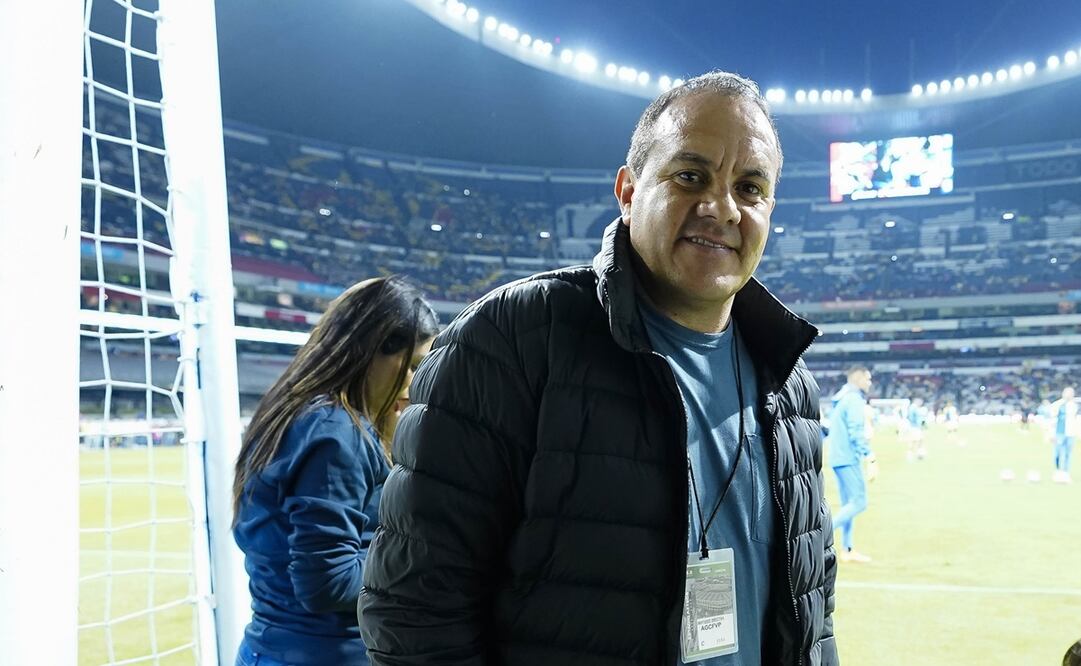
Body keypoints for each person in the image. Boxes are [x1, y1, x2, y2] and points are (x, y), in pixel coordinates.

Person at [359, 71, 837, 665]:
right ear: (629, 191)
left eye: (750, 187)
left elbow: (811, 617)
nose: (721, 208)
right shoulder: (512, 341)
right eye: (690, 176)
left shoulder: (789, 386)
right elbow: (414, 613)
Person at [231, 276, 438, 666]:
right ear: (368, 352)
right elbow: (327, 583)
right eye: (409, 366)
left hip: (281, 648)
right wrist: (424, 564)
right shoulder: (335, 432)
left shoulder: (300, 413)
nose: (412, 384)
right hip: (319, 654)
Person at [827, 366, 877, 563]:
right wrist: (870, 456)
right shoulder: (854, 400)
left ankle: (847, 549)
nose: (870, 383)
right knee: (859, 502)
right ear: (859, 379)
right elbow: (856, 431)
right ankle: (820, 535)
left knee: (849, 505)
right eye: (868, 379)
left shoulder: (841, 398)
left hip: (838, 458)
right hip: (848, 458)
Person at [1049, 386, 1078, 484]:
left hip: (1071, 433)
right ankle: (1057, 471)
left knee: (1067, 454)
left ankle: (1065, 473)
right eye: (1068, 393)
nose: (1070, 395)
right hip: (1059, 433)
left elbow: (1076, 419)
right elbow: (1052, 420)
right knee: (1057, 453)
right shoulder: (1058, 405)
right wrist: (1051, 433)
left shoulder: (1074, 405)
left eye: (1071, 393)